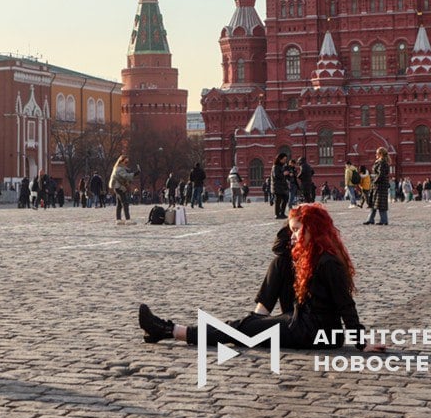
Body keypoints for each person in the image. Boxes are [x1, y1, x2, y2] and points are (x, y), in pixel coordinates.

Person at [138, 204, 385, 354]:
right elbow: (279, 248)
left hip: (311, 333)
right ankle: (255, 318)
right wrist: (295, 220)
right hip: (304, 324)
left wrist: (362, 343)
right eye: (293, 230)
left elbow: (346, 306)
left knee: (241, 329)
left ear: (314, 230)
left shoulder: (328, 263)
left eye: (298, 230)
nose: (293, 236)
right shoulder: (313, 256)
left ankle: (169, 330)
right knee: (279, 265)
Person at [365, 147, 391, 226]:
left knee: (380, 204)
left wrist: (374, 180)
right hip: (378, 186)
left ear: (381, 154)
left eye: (377, 153)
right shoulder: (381, 162)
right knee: (374, 202)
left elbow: (381, 174)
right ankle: (370, 219)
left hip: (380, 186)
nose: (375, 154)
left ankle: (384, 220)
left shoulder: (382, 163)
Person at [109, 155, 138, 225]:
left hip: (117, 187)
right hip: (119, 187)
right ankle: (127, 219)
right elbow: (125, 176)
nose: (126, 163)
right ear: (121, 161)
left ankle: (118, 219)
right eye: (125, 162)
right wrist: (135, 174)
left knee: (119, 204)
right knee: (125, 203)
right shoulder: (119, 169)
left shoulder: (118, 168)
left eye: (127, 162)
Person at [272, 153, 290, 219]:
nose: (285, 160)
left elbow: (283, 176)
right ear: (280, 159)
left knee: (285, 199)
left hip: (283, 186)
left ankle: (282, 213)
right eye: (284, 159)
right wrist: (283, 173)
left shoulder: (282, 166)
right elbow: (276, 175)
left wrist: (287, 174)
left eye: (286, 159)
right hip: (277, 186)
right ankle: (277, 214)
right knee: (278, 201)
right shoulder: (275, 166)